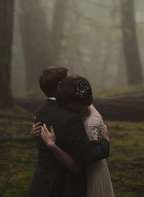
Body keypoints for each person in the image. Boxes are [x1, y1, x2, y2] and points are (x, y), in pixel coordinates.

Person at [29, 68, 110, 197]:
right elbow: (85, 157)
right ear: (61, 84)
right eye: (69, 77)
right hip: (64, 187)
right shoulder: (72, 117)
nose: (73, 79)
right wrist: (105, 144)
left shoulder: (41, 110)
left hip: (41, 182)